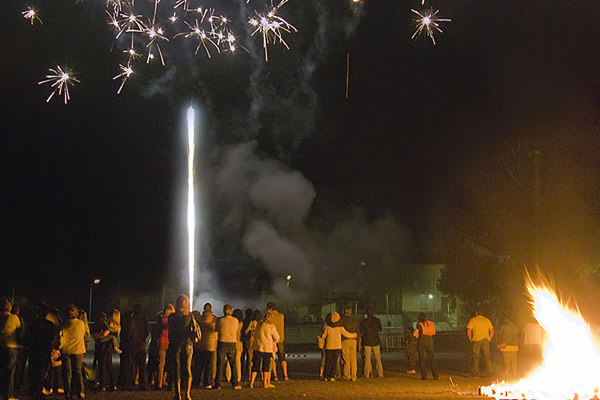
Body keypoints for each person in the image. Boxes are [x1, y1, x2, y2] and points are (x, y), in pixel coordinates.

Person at [23, 304, 55, 400]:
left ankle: (33, 391)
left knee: (33, 371)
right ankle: (39, 391)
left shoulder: (32, 324)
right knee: (42, 372)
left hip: (34, 350)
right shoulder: (50, 325)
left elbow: (28, 336)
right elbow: (52, 338)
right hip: (44, 351)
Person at [168, 294, 194, 400]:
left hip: (175, 345)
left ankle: (177, 394)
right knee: (187, 368)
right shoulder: (190, 317)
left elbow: (170, 331)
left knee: (176, 369)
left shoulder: (172, 317)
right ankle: (187, 394)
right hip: (188, 344)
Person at [320, 312, 358, 382]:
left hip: (329, 346)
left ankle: (326, 376)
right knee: (334, 362)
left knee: (328, 361)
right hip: (337, 346)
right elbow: (346, 334)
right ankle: (332, 376)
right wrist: (354, 335)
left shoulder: (328, 327)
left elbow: (323, 336)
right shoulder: (340, 327)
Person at [60, 304, 87, 400]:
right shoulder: (80, 323)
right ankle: (81, 391)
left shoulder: (63, 324)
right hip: (78, 350)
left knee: (67, 372)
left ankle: (68, 392)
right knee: (78, 371)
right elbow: (83, 334)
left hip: (66, 350)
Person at [249, 311, 279, 389]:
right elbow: (277, 338)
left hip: (257, 348)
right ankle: (265, 383)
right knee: (266, 366)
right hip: (267, 348)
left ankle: (251, 383)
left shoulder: (259, 325)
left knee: (255, 365)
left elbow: (255, 335)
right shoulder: (271, 326)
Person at [215, 304, 241, 390]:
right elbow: (236, 330)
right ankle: (235, 383)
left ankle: (218, 383)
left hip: (222, 342)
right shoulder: (235, 320)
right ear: (231, 311)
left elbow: (216, 330)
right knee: (233, 364)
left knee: (220, 364)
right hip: (232, 342)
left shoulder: (220, 320)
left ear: (224, 311)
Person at [0, 297, 21, 400]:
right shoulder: (13, 317)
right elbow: (19, 331)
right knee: (10, 372)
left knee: (2, 371)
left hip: (1, 346)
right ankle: (9, 395)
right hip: (11, 347)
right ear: (9, 306)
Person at [91, 312, 118, 391]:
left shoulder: (96, 325)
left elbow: (96, 336)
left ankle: (103, 385)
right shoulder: (106, 325)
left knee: (102, 367)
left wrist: (100, 336)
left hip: (101, 348)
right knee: (109, 366)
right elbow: (109, 333)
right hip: (107, 348)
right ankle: (112, 384)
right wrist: (104, 335)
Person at [194, 303, 217, 389]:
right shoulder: (215, 320)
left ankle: (196, 382)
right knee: (209, 366)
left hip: (200, 345)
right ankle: (207, 382)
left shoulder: (199, 320)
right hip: (211, 346)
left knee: (199, 366)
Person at [466, 308, 494, 377]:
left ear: (476, 313)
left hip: (476, 340)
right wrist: (490, 338)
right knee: (487, 356)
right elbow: (492, 331)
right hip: (485, 340)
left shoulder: (473, 320)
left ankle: (476, 372)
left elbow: (469, 330)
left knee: (476, 357)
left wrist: (470, 338)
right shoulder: (487, 320)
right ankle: (489, 372)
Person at [153, 304, 174, 390]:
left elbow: (155, 332)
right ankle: (162, 381)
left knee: (161, 364)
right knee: (166, 364)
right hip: (168, 343)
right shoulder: (170, 322)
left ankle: (160, 382)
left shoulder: (160, 321)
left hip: (163, 343)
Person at [359, 306, 384, 378]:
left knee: (367, 359)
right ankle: (380, 373)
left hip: (367, 341)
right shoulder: (377, 320)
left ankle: (367, 374)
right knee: (378, 359)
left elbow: (361, 331)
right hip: (376, 341)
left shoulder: (364, 321)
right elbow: (380, 329)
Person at [266, 302, 288, 380]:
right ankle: (285, 375)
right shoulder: (281, 316)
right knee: (282, 358)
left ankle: (275, 376)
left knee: (273, 358)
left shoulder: (269, 317)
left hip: (272, 340)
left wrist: (268, 316)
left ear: (270, 309)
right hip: (281, 339)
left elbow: (267, 324)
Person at [129, 304, 149, 390]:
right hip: (141, 345)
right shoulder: (143, 319)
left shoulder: (131, 320)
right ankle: (142, 384)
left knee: (132, 365)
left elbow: (129, 332)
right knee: (142, 367)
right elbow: (146, 331)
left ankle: (131, 381)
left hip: (133, 344)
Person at [415, 312, 438, 380]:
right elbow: (434, 332)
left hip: (422, 340)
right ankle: (435, 375)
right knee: (432, 358)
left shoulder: (419, 324)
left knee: (421, 358)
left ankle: (424, 375)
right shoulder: (431, 323)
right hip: (429, 340)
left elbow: (415, 334)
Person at [339, 306, 359, 381]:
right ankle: (354, 375)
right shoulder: (354, 320)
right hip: (354, 341)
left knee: (346, 359)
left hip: (345, 341)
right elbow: (358, 331)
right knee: (353, 359)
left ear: (344, 312)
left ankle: (347, 375)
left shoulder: (342, 320)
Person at [240, 308, 254, 381]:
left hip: (243, 340)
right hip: (248, 341)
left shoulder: (243, 321)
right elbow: (246, 331)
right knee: (249, 359)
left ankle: (242, 373)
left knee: (242, 358)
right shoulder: (251, 321)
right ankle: (248, 375)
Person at [232, 309, 244, 385]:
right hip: (239, 343)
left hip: (232, 341)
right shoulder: (241, 324)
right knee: (237, 361)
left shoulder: (232, 323)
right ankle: (238, 376)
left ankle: (228, 376)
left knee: (231, 362)